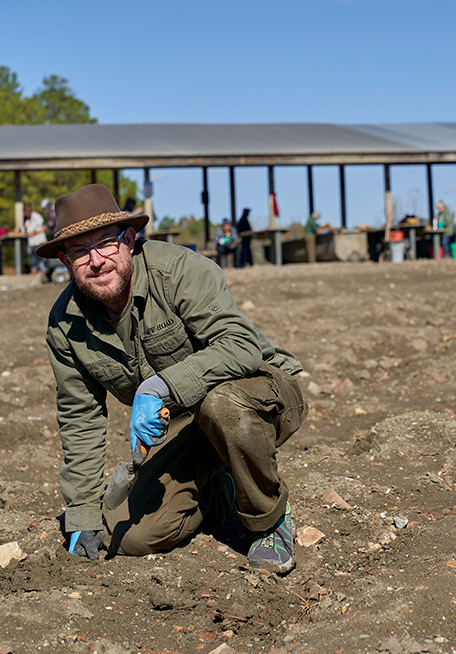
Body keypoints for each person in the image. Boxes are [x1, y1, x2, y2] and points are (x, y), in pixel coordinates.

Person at [38, 184, 307, 573]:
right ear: (65, 261)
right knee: (132, 536)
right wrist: (81, 514)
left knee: (223, 406)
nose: (96, 261)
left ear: (129, 240)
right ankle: (222, 489)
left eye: (106, 244)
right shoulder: (66, 324)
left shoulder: (177, 270)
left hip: (260, 393)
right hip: (183, 423)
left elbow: (242, 345)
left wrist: (160, 386)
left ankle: (269, 520)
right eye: (80, 251)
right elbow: (80, 418)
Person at [24, 204, 48, 275]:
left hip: (39, 239)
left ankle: (43, 269)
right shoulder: (27, 219)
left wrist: (34, 232)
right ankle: (34, 269)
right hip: (31, 240)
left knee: (40, 255)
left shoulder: (36, 216)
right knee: (32, 256)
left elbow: (43, 227)